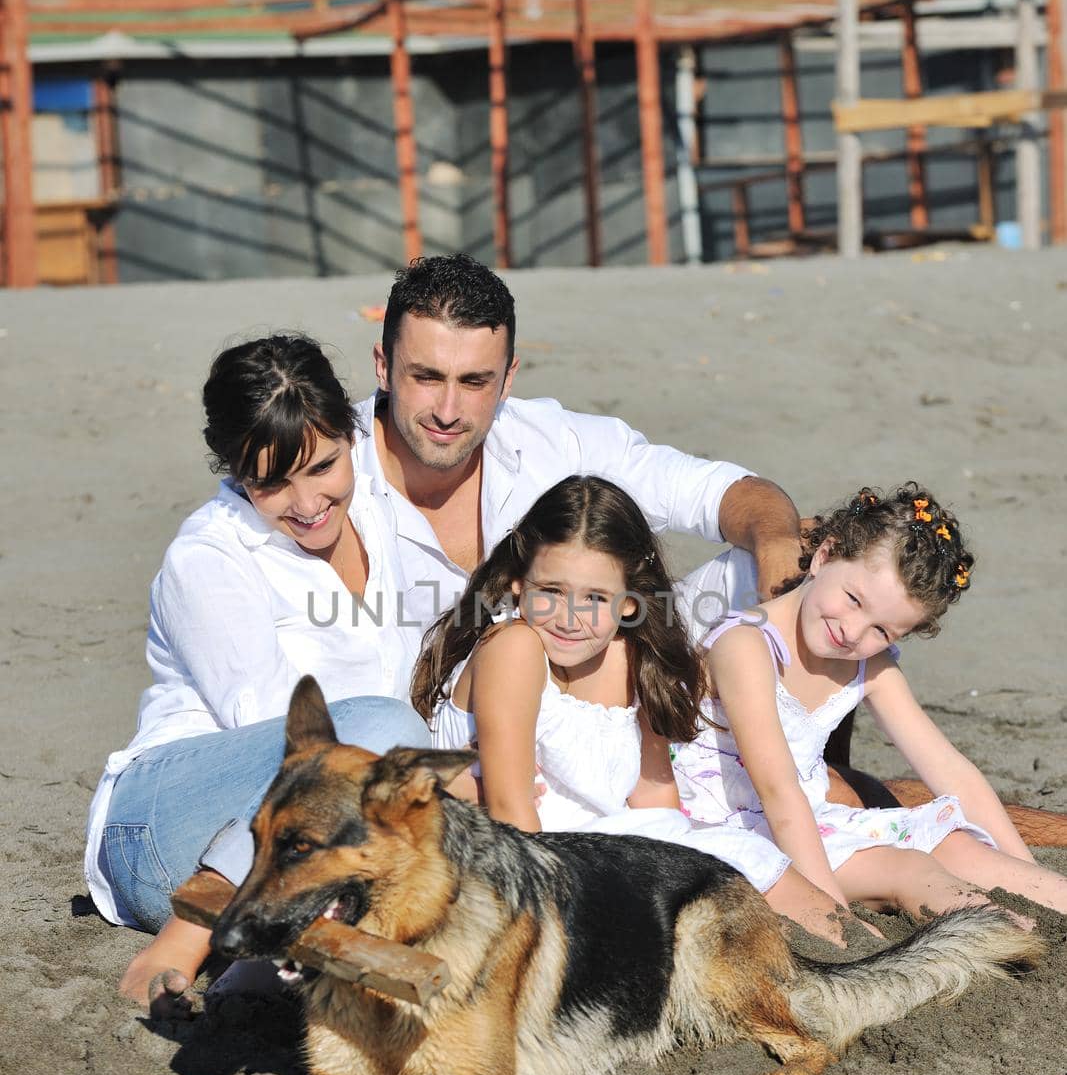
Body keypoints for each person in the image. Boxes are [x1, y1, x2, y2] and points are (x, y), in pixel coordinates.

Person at [86, 332, 430, 1014]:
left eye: (323, 466)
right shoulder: (210, 557)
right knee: (377, 729)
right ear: (234, 470)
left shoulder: (386, 520)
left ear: (352, 435)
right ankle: (187, 938)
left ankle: (260, 970)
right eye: (271, 482)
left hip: (311, 842)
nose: (305, 503)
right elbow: (284, 742)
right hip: (163, 829)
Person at [355, 253, 804, 668]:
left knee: (818, 567)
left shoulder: (555, 441)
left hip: (575, 697)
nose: (448, 411)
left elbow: (726, 493)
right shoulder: (321, 472)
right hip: (409, 728)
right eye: (427, 377)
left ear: (508, 378)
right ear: (383, 365)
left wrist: (779, 547)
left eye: (475, 382)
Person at [671, 484, 1067, 943]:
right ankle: (1010, 942)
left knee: (952, 841)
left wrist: (1024, 866)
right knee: (908, 867)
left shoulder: (869, 665)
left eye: (882, 628)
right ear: (824, 555)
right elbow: (777, 789)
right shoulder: (745, 644)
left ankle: (1047, 916)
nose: (853, 631)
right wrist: (828, 913)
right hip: (726, 831)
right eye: (854, 599)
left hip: (808, 818)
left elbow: (948, 769)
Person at [411, 474, 789, 895]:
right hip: (528, 869)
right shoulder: (513, 647)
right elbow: (511, 815)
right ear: (519, 584)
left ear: (628, 601)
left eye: (594, 598)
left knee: (746, 855)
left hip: (596, 848)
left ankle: (848, 938)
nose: (570, 619)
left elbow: (654, 802)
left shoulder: (632, 661)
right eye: (552, 591)